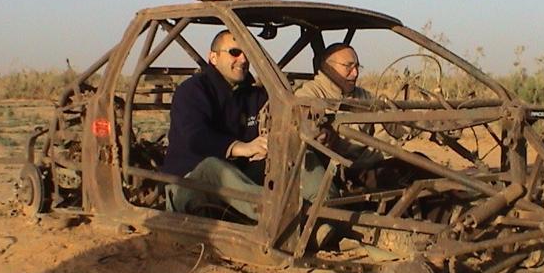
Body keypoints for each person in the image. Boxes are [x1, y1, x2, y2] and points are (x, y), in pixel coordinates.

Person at [163, 30, 268, 220]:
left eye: (248, 54)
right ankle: (283, 219)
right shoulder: (192, 91)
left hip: (236, 184)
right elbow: (195, 137)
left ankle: (326, 219)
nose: (243, 59)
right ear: (213, 57)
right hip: (189, 186)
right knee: (214, 166)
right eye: (234, 52)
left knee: (290, 159)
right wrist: (239, 148)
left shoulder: (255, 95)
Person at [294, 43, 429, 190]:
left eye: (357, 67)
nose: (355, 73)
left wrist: (426, 120)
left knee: (423, 165)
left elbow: (393, 126)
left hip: (375, 163)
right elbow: (306, 131)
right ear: (328, 67)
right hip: (346, 172)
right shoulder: (308, 95)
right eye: (349, 66)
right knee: (404, 186)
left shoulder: (363, 96)